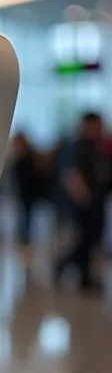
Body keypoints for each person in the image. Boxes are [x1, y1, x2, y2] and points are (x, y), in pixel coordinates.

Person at [55, 111, 109, 293]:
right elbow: (71, 174)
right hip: (85, 202)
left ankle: (78, 270)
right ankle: (72, 268)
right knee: (85, 238)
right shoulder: (78, 147)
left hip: (98, 200)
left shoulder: (98, 147)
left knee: (93, 238)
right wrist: (83, 196)